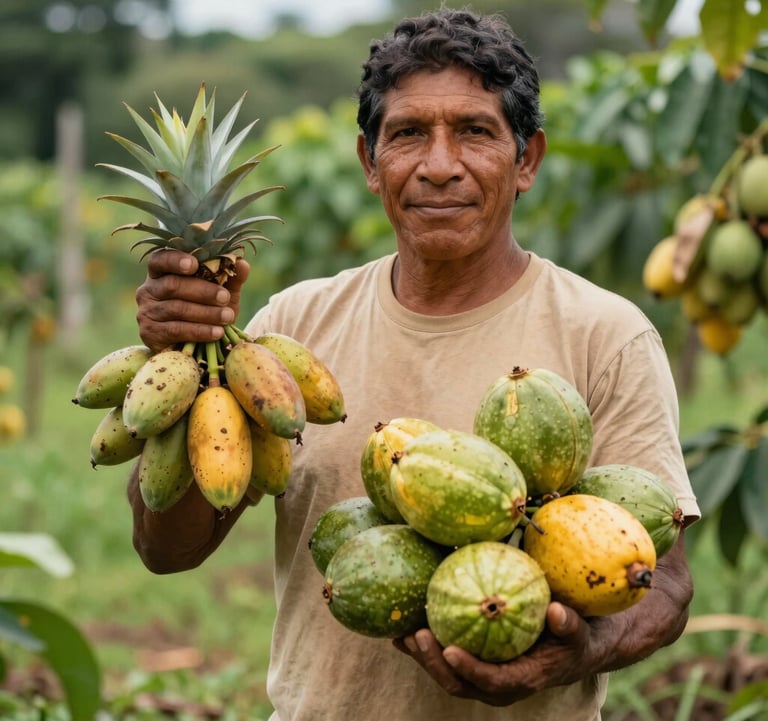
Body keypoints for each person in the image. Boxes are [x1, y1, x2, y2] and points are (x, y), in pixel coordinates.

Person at [129, 8, 700, 721]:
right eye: (406, 134)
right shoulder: (285, 339)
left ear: (527, 160)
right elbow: (166, 551)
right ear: (371, 163)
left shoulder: (606, 334)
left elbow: (667, 585)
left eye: (474, 131)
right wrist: (181, 367)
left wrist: (577, 651)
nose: (438, 165)